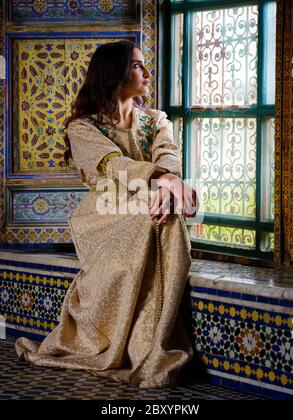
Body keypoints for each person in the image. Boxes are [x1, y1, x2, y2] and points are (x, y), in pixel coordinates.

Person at [15, 41, 199, 389]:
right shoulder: (83, 128)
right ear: (114, 73)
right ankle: (115, 344)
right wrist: (166, 182)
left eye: (144, 66)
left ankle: (151, 347)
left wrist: (165, 185)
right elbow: (114, 166)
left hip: (148, 202)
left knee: (166, 218)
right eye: (137, 65)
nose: (147, 73)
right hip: (103, 214)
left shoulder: (156, 120)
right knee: (156, 215)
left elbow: (169, 155)